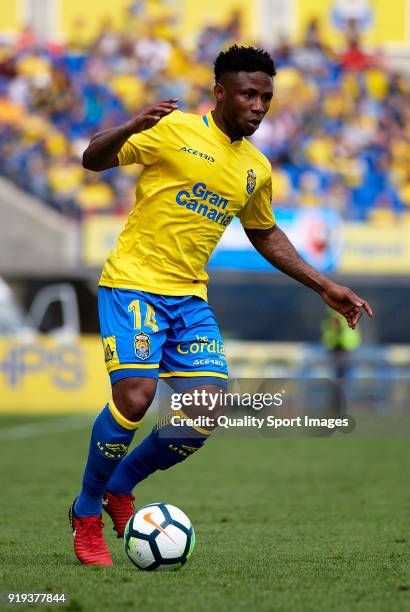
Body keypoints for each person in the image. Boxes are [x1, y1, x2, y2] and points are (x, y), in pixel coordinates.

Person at [69, 45, 373, 565]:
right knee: (137, 397)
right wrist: (129, 126)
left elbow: (265, 233)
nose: (258, 105)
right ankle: (87, 510)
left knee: (205, 410)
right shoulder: (173, 129)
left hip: (189, 295)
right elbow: (91, 158)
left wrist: (322, 285)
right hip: (135, 283)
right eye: (249, 94)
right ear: (220, 92)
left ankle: (122, 486)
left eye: (266, 97)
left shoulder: (255, 167)